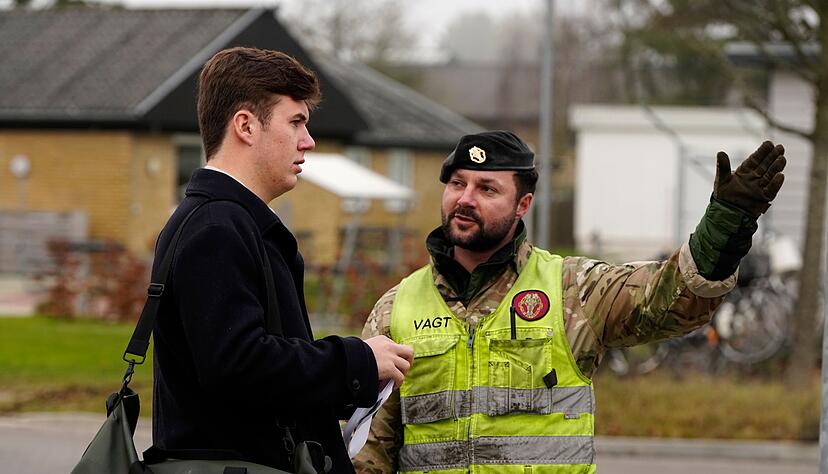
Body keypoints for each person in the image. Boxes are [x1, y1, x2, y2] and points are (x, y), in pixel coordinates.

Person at [352, 130, 785, 473]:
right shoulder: (397, 307)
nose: (465, 198)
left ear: (523, 204)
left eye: (487, 189)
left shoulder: (573, 289)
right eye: (457, 183)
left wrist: (725, 225)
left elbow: (668, 297)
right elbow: (368, 449)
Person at [149, 47, 413, 473]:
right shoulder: (217, 227)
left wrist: (353, 381)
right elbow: (238, 366)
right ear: (245, 126)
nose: (308, 141)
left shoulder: (228, 222)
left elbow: (258, 370)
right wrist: (357, 361)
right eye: (296, 122)